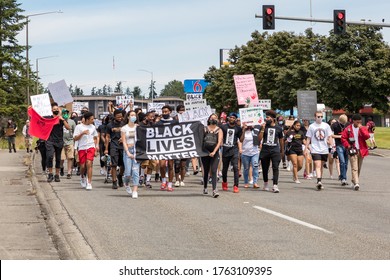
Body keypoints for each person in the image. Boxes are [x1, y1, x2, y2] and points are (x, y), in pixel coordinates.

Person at [305, 111, 335, 191]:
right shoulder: (312, 126)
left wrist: (332, 146)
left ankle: (320, 180)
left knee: (321, 166)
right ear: (315, 117)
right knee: (317, 165)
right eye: (318, 116)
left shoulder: (326, 126)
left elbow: (330, 136)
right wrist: (306, 147)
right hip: (315, 149)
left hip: (324, 149)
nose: (320, 118)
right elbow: (308, 137)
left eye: (321, 116)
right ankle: (318, 181)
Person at [341, 114, 370, 191]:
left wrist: (362, 129)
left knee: (359, 168)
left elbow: (367, 136)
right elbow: (343, 138)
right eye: (357, 122)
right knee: (354, 168)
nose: (359, 124)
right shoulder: (348, 129)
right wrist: (348, 146)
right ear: (353, 121)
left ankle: (354, 181)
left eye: (360, 122)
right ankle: (357, 183)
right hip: (352, 150)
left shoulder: (362, 128)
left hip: (361, 150)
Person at [258, 110, 284, 193]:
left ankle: (275, 185)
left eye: (268, 117)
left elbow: (281, 140)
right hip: (265, 150)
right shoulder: (264, 127)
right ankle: (265, 183)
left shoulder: (279, 128)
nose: (266, 119)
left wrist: (282, 150)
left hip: (275, 150)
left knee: (275, 167)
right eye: (266, 117)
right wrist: (262, 129)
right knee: (265, 168)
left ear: (273, 118)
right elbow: (259, 139)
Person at [46, 103, 71, 183]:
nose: (56, 110)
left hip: (59, 141)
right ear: (51, 110)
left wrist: (62, 119)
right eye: (54, 109)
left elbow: (68, 127)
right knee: (49, 156)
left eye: (57, 109)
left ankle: (57, 174)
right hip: (50, 140)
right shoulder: (48, 118)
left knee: (58, 158)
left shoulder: (61, 119)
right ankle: (50, 174)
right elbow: (39, 120)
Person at [73, 112, 98, 190]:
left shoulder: (93, 127)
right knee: (83, 166)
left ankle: (89, 182)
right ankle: (82, 176)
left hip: (91, 147)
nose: (93, 120)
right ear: (87, 119)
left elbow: (95, 137)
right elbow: (75, 138)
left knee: (89, 163)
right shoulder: (79, 127)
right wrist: (82, 133)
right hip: (82, 148)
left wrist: (96, 147)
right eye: (91, 119)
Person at [156, 105, 178, 192]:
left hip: (171, 146)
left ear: (170, 112)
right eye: (163, 112)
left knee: (170, 165)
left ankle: (170, 184)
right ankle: (163, 180)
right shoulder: (158, 123)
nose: (164, 113)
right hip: (161, 147)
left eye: (166, 111)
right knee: (161, 165)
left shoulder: (175, 122)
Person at [201, 113, 223, 197]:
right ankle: (205, 187)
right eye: (212, 118)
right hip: (205, 152)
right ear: (209, 119)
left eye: (215, 118)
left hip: (215, 153)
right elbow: (201, 140)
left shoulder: (219, 130)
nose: (213, 119)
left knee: (214, 171)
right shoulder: (204, 129)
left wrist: (214, 151)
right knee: (206, 170)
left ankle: (214, 190)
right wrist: (205, 151)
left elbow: (219, 142)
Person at [220, 112, 242, 193]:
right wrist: (221, 142)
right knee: (225, 168)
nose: (232, 119)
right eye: (230, 117)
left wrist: (243, 130)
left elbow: (241, 139)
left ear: (236, 119)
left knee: (236, 167)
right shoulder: (223, 127)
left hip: (234, 149)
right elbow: (220, 136)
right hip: (225, 149)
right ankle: (224, 182)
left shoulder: (238, 128)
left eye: (233, 117)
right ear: (228, 118)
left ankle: (236, 185)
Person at [105, 109, 126, 189]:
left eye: (121, 116)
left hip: (123, 146)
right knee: (114, 164)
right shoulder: (110, 125)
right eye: (118, 117)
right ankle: (114, 181)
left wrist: (123, 138)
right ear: (114, 116)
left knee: (123, 164)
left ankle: (120, 175)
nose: (120, 118)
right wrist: (106, 148)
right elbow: (107, 137)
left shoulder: (124, 124)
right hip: (114, 146)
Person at [121, 110, 140, 198]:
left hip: (136, 150)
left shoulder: (138, 127)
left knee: (135, 172)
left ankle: (135, 190)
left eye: (135, 115)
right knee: (128, 172)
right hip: (128, 150)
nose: (133, 117)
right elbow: (124, 141)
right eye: (132, 115)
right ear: (128, 117)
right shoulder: (124, 128)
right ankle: (126, 183)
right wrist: (127, 152)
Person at [240, 121, 261, 188]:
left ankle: (255, 182)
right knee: (246, 168)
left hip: (254, 152)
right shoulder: (243, 131)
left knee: (255, 167)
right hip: (245, 153)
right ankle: (246, 182)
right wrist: (243, 129)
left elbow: (259, 139)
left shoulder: (255, 131)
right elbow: (240, 140)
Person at [331, 114, 349, 186]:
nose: (344, 124)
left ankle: (342, 176)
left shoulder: (347, 125)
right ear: (339, 120)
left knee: (346, 163)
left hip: (347, 145)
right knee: (342, 162)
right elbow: (331, 135)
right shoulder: (334, 125)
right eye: (342, 123)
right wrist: (340, 136)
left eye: (344, 123)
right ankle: (343, 178)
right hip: (339, 145)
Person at [60, 109, 76, 179]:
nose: (65, 114)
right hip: (61, 142)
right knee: (62, 158)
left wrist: (75, 143)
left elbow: (75, 132)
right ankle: (61, 166)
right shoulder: (59, 121)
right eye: (63, 113)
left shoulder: (72, 122)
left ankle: (69, 172)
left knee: (70, 158)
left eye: (66, 113)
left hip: (70, 142)